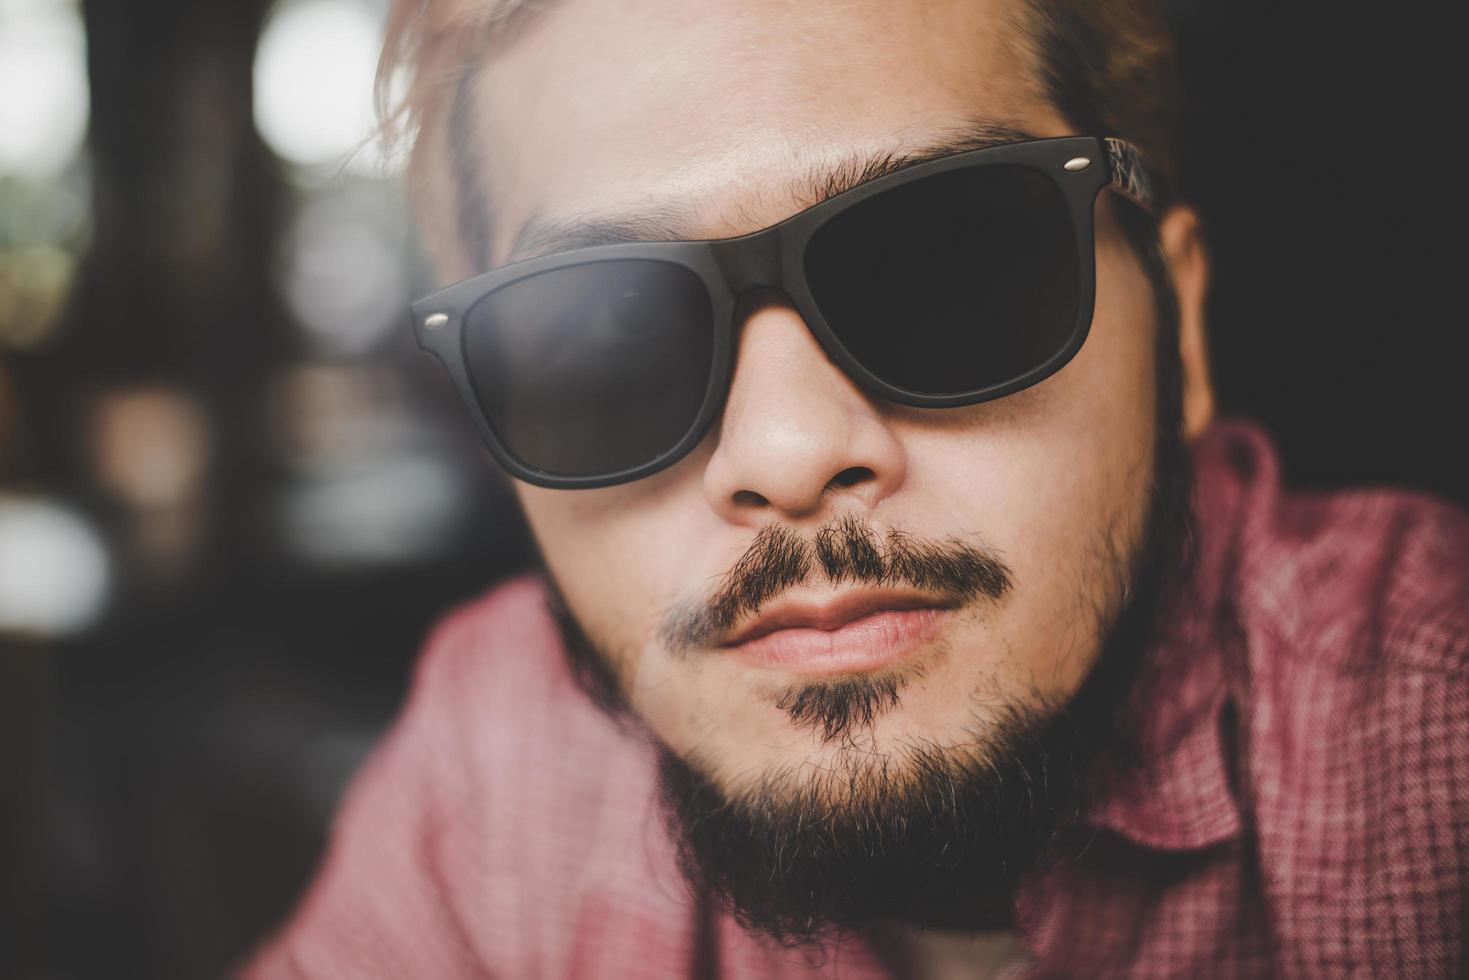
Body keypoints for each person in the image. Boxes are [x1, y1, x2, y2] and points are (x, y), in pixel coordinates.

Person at [243, 0, 1469, 975]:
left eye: (953, 269)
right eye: (607, 340)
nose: (784, 451)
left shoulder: (1425, 751)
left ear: (1182, 335)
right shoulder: (498, 756)